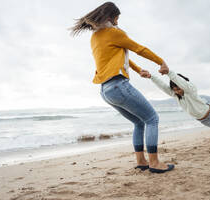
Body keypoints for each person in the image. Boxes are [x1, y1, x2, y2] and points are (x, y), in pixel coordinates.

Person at [70, 2, 174, 173]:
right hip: (118, 85)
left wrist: (139, 70)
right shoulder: (113, 32)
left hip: (105, 91)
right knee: (152, 119)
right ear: (110, 17)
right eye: (117, 18)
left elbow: (118, 55)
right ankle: (154, 163)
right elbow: (139, 49)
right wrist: (161, 62)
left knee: (139, 122)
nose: (118, 22)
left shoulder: (95, 37)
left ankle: (141, 161)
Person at [140, 66, 210, 131]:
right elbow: (163, 86)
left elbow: (182, 84)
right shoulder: (176, 95)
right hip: (203, 120)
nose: (177, 91)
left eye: (178, 89)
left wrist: (169, 73)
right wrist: (150, 76)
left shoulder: (190, 90)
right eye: (175, 90)